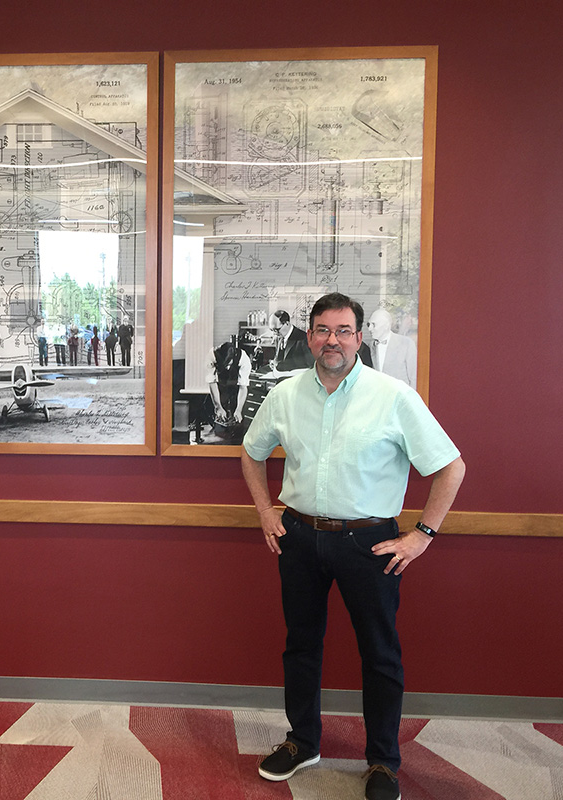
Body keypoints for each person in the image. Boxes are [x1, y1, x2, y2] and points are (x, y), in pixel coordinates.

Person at [240, 292, 465, 800]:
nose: (332, 340)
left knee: (380, 654)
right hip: (297, 537)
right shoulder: (286, 393)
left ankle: (383, 762)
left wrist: (422, 536)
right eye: (322, 330)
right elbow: (251, 453)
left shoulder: (393, 396)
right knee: (300, 646)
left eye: (343, 330)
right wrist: (263, 511)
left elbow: (451, 466)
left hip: (371, 543)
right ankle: (303, 742)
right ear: (310, 335)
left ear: (359, 338)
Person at [367, 308, 417, 389]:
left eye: (373, 324)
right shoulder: (371, 346)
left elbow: (414, 377)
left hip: (400, 397)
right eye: (368, 324)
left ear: (386, 325)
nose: (369, 328)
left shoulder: (406, 344)